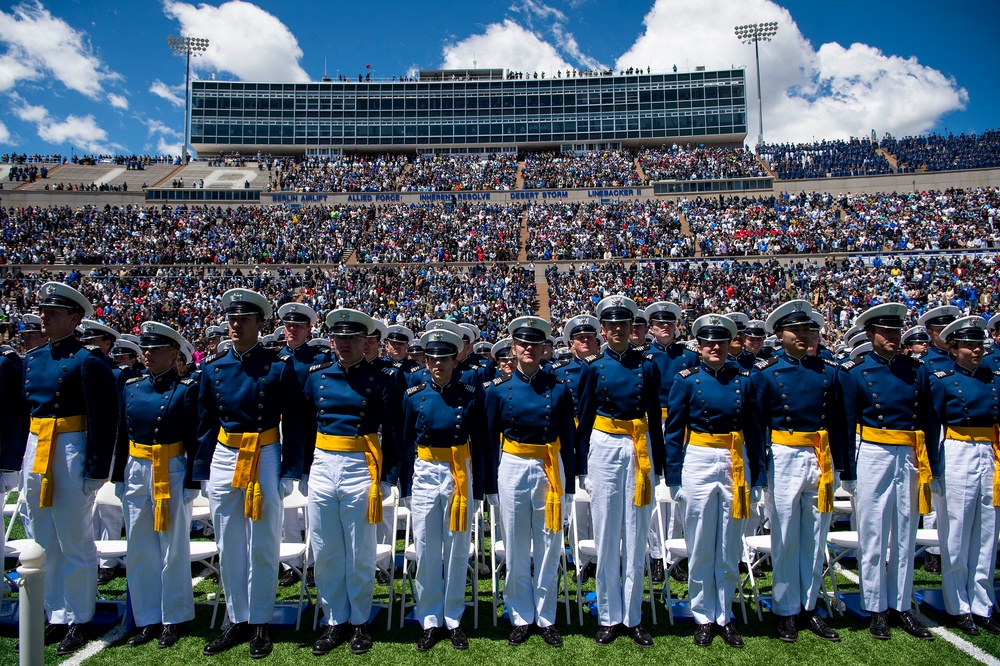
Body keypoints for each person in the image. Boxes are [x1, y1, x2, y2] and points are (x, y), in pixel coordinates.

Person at [194, 288, 306, 658]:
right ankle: (236, 618)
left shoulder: (278, 367)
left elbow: (294, 420)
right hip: (226, 455)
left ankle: (259, 620)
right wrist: (202, 469)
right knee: (228, 542)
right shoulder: (214, 368)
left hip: (265, 453)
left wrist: (290, 469)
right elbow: (206, 424)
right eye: (232, 319)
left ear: (261, 324)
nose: (236, 325)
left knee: (262, 540)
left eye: (245, 319)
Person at [20, 282, 118, 654]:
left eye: (53, 313)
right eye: (43, 311)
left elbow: (103, 418)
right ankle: (54, 611)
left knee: (74, 538)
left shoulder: (87, 360)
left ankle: (78, 615)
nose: (44, 317)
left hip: (70, 447)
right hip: (37, 446)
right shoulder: (33, 358)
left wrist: (96, 467)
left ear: (75, 319)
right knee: (42, 534)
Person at [303, 308, 402, 656]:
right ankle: (334, 619)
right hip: (323, 462)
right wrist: (301, 471)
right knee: (326, 547)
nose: (345, 344)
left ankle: (359, 619)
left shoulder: (382, 380)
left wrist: (389, 477)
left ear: (367, 341)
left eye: (353, 338)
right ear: (332, 340)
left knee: (360, 548)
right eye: (340, 338)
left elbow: (392, 432)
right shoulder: (316, 377)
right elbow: (303, 427)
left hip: (361, 464)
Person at [664, 314, 765, 648]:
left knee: (730, 542)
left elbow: (753, 429)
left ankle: (725, 613)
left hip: (735, 462)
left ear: (728, 345)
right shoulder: (686, 380)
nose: (714, 348)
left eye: (720, 343)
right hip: (699, 460)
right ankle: (702, 615)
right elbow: (674, 431)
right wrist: (674, 476)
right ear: (699, 346)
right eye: (708, 343)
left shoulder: (744, 379)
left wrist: (758, 473)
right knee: (701, 541)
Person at [840, 303, 934, 641]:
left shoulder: (916, 369)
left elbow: (927, 419)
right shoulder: (855, 371)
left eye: (896, 331)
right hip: (873, 452)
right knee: (874, 532)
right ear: (870, 335)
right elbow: (848, 422)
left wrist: (931, 465)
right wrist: (848, 470)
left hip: (908, 452)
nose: (892, 337)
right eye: (885, 332)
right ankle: (876, 607)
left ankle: (901, 606)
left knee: (905, 532)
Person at [753, 300, 844, 642]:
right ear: (780, 335)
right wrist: (761, 472)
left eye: (809, 330)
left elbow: (837, 421)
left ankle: (809, 606)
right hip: (785, 453)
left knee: (816, 535)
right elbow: (758, 423)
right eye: (798, 331)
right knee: (786, 535)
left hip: (819, 456)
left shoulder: (827, 370)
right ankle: (785, 609)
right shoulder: (768, 373)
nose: (805, 336)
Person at [576, 296, 663, 647]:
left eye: (623, 325)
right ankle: (610, 615)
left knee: (636, 530)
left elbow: (654, 417)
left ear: (632, 328)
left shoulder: (648, 365)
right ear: (603, 329)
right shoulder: (593, 367)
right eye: (611, 325)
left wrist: (660, 464)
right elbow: (583, 418)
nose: (617, 330)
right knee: (608, 532)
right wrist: (581, 464)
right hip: (605, 445)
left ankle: (634, 616)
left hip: (638, 446)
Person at [485, 315, 575, 648]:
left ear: (544, 349)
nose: (528, 349)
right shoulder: (498, 390)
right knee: (517, 544)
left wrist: (570, 484)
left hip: (549, 467)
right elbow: (490, 439)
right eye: (522, 344)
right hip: (512, 465)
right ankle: (521, 615)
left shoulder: (558, 388)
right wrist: (491, 485)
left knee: (551, 543)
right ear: (513, 348)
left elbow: (568, 437)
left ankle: (546, 615)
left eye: (535, 345)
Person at [399, 325, 488, 651]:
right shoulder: (414, 395)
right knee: (425, 549)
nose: (438, 364)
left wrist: (478, 490)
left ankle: (452, 618)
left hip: (459, 473)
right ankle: (429, 619)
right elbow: (407, 442)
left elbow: (479, 443)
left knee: (456, 549)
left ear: (454, 360)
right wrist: (405, 484)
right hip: (425, 473)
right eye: (433, 358)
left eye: (445, 358)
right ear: (426, 361)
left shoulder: (469, 395)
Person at [112, 322, 200, 648]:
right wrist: (118, 477)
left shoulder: (185, 388)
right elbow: (123, 435)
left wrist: (192, 480)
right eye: (145, 348)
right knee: (139, 547)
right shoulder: (131, 386)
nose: (147, 354)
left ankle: (173, 617)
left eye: (156, 349)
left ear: (174, 354)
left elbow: (194, 437)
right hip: (137, 467)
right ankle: (147, 617)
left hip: (172, 467)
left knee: (172, 548)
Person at [926, 316, 1000, 636]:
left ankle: (983, 604)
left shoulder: (992, 378)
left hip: (989, 452)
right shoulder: (942, 379)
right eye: (969, 345)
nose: (976, 350)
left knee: (987, 533)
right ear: (953, 349)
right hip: (957, 449)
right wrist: (934, 469)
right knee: (956, 532)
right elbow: (932, 426)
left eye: (979, 345)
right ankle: (958, 605)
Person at [274, 302, 328, 588]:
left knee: (312, 506)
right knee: (285, 509)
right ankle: (290, 565)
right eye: (288, 325)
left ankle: (314, 561)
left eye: (298, 326)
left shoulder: (318, 359)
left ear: (309, 329)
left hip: (309, 438)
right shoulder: (275, 358)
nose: (291, 330)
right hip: (281, 438)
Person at [644, 301, 698, 585]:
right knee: (655, 492)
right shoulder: (643, 356)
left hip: (681, 426)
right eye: (659, 323)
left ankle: (676, 555)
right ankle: (655, 554)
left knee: (679, 489)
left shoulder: (689, 356)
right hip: (652, 425)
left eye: (669, 323)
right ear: (651, 327)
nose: (664, 327)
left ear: (677, 326)